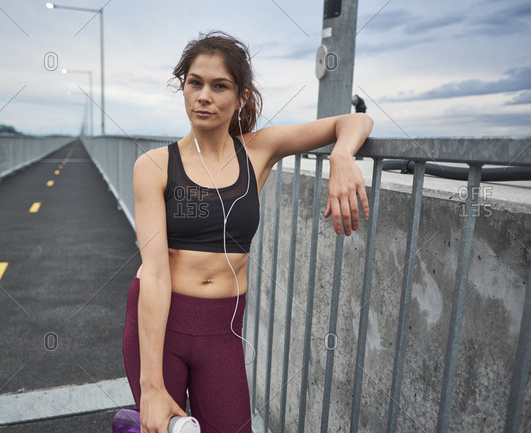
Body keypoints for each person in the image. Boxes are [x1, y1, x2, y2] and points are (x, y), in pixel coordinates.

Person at [122, 31, 373, 433]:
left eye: (219, 86)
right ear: (183, 89)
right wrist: (151, 386)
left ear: (240, 97)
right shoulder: (153, 166)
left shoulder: (258, 150)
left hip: (222, 328)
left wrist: (342, 155)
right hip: (162, 325)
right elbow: (153, 272)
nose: (204, 95)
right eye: (195, 83)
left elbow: (356, 119)